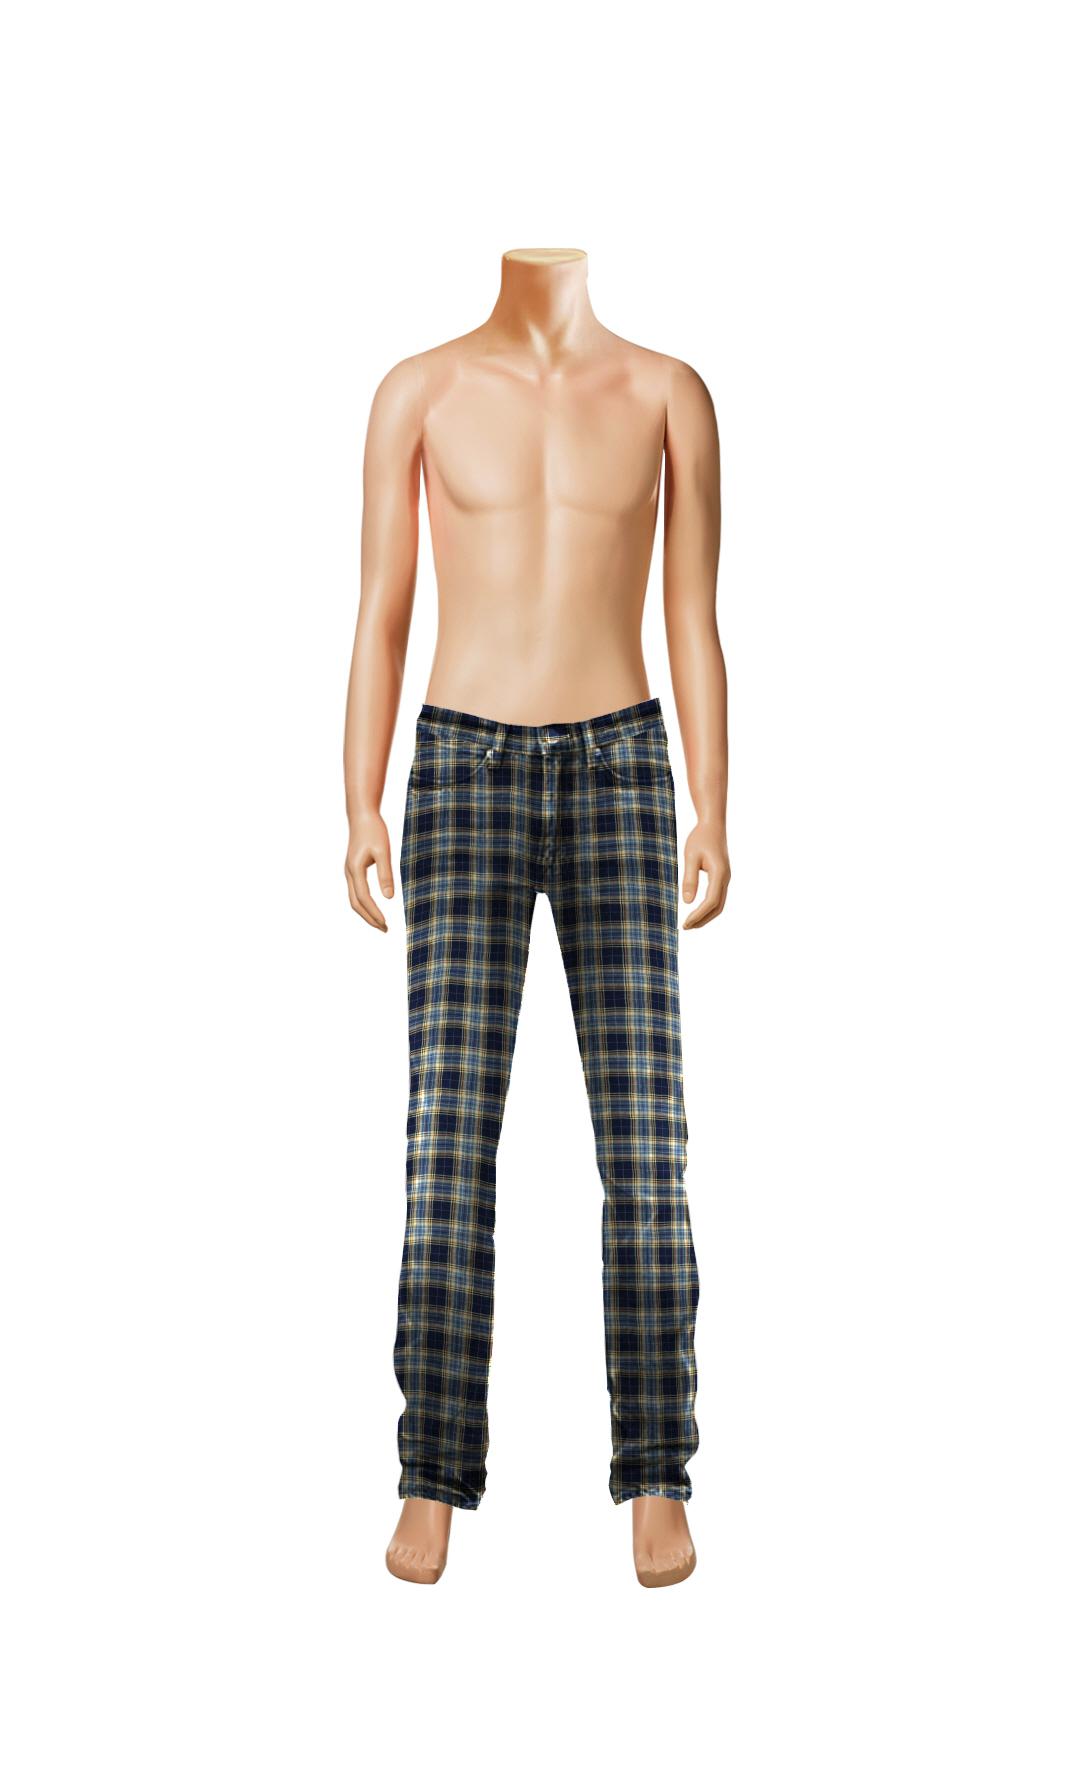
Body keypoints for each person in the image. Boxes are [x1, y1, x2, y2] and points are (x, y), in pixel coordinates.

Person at [343, 248, 730, 1586]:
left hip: (624, 764)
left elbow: (693, 611)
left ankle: (658, 1471)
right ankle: (431, 1473)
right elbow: (383, 610)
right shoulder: (420, 390)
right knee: (447, 1139)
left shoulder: (669, 391)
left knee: (647, 1138)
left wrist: (714, 805)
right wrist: (359, 799)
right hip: (463, 764)